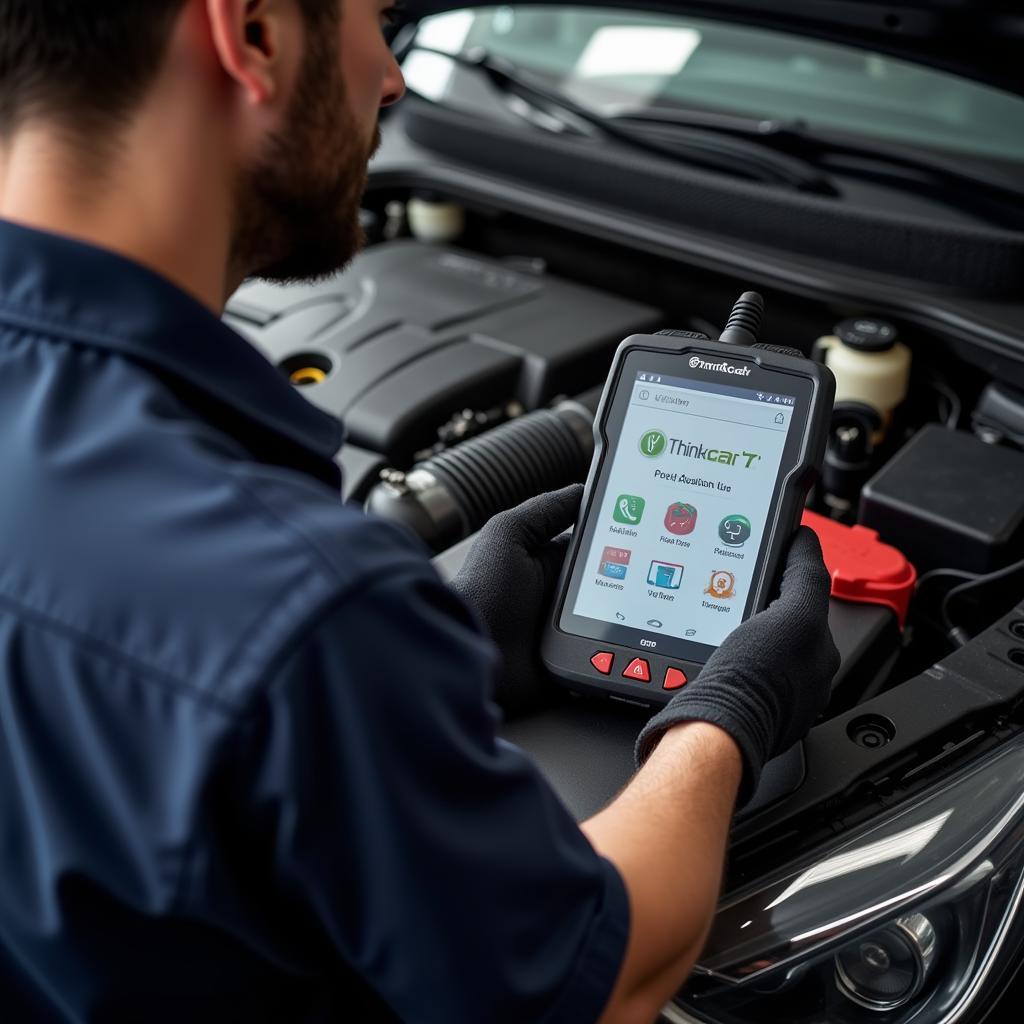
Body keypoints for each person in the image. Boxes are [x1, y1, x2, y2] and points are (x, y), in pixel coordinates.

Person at [0, 2, 839, 1021]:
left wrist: (410, 655)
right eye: (378, 19)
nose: (393, 79)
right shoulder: (298, 604)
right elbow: (607, 976)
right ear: (253, 33)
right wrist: (730, 712)